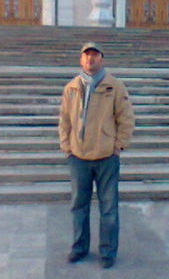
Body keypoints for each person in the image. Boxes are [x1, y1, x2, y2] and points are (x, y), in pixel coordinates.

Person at [58, 42, 135, 269]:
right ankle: (79, 248)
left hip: (106, 156)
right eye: (86, 55)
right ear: (81, 59)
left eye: (94, 55)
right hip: (78, 156)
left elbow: (126, 118)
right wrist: (66, 145)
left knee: (109, 207)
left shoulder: (114, 86)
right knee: (78, 206)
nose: (90, 59)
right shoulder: (72, 87)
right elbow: (64, 119)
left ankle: (107, 252)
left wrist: (119, 145)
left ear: (101, 59)